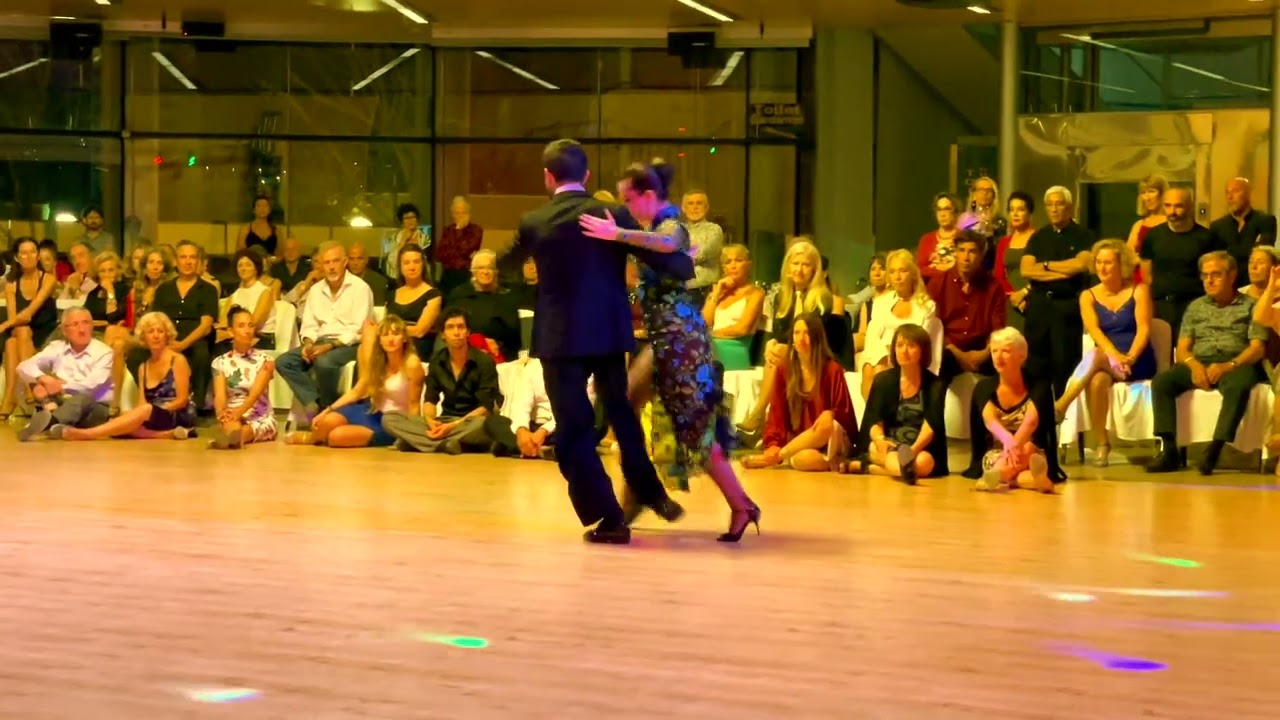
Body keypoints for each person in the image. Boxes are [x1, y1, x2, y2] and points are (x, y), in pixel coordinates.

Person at [498, 138, 693, 544]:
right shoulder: (611, 213)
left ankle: (610, 517)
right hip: (607, 333)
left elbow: (507, 263)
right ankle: (651, 493)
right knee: (621, 416)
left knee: (574, 432)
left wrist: (510, 262)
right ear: (586, 175)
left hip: (560, 338)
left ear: (548, 177)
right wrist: (679, 260)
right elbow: (662, 254)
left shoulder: (535, 220)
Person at [580, 160, 760, 542]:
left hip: (682, 340)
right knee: (625, 407)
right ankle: (637, 495)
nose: (627, 206)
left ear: (648, 196)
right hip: (664, 338)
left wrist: (617, 234)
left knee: (695, 433)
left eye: (630, 198)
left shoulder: (671, 225)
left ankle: (742, 504)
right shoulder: (649, 227)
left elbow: (666, 244)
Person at [844, 323, 947, 483]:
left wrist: (911, 452)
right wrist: (879, 440)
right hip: (889, 443)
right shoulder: (883, 380)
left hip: (920, 447)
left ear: (923, 351)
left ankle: (867, 468)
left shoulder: (935, 385)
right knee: (883, 452)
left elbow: (930, 428)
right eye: (899, 345)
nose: (904, 351)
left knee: (924, 463)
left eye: (911, 346)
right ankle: (904, 470)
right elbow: (874, 422)